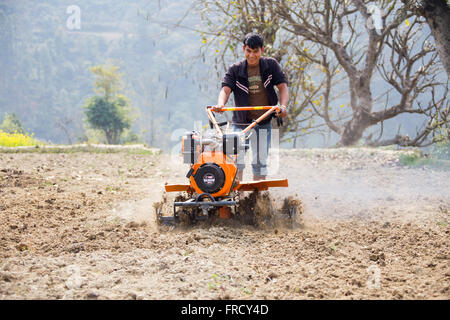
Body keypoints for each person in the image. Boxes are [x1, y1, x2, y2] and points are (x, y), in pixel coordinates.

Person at [213, 32, 289, 181]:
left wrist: (283, 106)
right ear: (244, 49)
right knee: (235, 160)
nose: (252, 55)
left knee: (260, 163)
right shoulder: (235, 69)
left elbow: (283, 87)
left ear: (262, 50)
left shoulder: (270, 65)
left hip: (263, 121)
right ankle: (237, 196)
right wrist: (220, 104)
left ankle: (259, 198)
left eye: (255, 51)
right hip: (241, 123)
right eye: (249, 51)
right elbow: (225, 89)